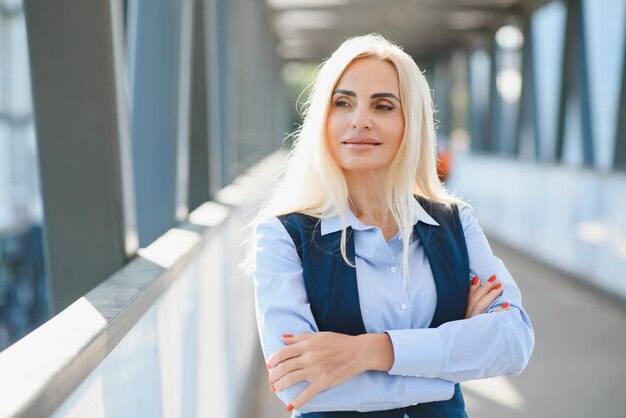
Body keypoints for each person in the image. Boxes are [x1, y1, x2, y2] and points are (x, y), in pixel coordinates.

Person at [243, 34, 534, 418]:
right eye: (342, 102)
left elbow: (513, 342)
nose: (359, 120)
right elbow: (299, 385)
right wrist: (449, 363)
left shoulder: (455, 223)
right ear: (322, 119)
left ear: (410, 122)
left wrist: (369, 351)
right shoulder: (283, 236)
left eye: (383, 106)